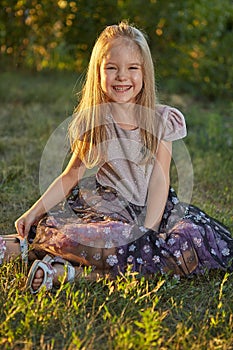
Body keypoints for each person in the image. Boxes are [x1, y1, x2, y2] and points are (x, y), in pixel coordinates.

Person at [1, 21, 232, 294]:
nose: (122, 77)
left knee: (186, 241)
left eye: (132, 68)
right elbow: (72, 174)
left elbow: (160, 178)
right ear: (98, 73)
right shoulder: (96, 121)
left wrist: (148, 231)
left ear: (145, 72)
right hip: (108, 208)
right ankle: (20, 247)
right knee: (98, 237)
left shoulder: (161, 120)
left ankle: (67, 273)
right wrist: (33, 212)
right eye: (112, 68)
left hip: (154, 210)